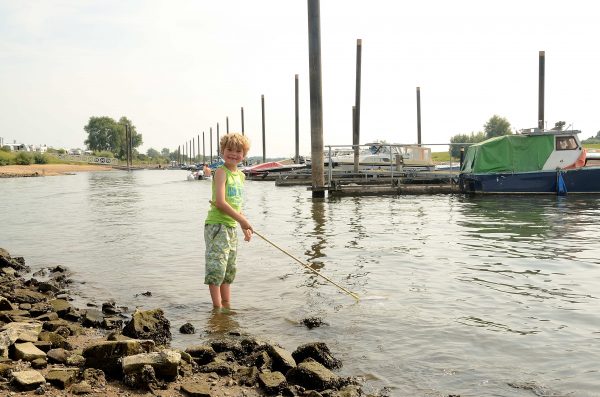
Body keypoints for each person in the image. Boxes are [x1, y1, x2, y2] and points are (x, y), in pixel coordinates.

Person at [204, 133, 253, 310]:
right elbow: (220, 202)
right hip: (217, 225)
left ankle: (227, 305)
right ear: (222, 151)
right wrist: (242, 220)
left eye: (238, 151)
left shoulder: (240, 176)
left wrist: (243, 223)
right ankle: (217, 310)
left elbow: (236, 204)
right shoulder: (220, 173)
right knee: (217, 266)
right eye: (229, 149)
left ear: (244, 154)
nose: (233, 154)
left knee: (229, 268)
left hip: (231, 226)